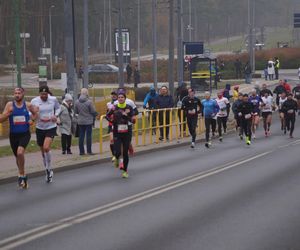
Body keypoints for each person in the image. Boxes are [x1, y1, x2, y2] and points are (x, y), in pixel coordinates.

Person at [0, 88, 37, 188]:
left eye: (19, 93)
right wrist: (8, 114)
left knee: (20, 152)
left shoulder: (28, 105)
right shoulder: (9, 105)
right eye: (15, 93)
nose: (17, 95)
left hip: (25, 134)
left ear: (23, 94)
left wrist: (32, 120)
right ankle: (23, 174)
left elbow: (35, 113)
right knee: (18, 157)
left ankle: (21, 175)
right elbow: (1, 119)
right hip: (13, 135)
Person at [31, 86, 60, 183]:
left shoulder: (53, 99)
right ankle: (47, 169)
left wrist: (55, 116)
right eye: (42, 94)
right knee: (43, 152)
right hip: (40, 127)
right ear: (39, 94)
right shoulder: (34, 101)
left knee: (46, 147)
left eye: (45, 94)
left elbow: (58, 108)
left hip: (51, 127)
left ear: (48, 93)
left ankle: (49, 169)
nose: (44, 96)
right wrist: (34, 114)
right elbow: (30, 113)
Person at [106, 92, 136, 178]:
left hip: (127, 132)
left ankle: (125, 171)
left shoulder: (129, 108)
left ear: (125, 99)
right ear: (117, 99)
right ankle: (116, 158)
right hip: (117, 132)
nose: (120, 98)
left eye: (122, 97)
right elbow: (107, 116)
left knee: (125, 153)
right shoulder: (114, 107)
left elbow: (133, 121)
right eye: (119, 97)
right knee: (118, 151)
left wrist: (126, 116)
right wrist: (112, 121)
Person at [74, 88, 97, 156]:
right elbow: (92, 111)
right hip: (88, 121)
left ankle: (81, 151)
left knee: (81, 136)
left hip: (80, 121)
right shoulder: (89, 102)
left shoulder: (77, 102)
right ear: (87, 93)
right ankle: (89, 151)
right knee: (88, 136)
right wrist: (95, 114)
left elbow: (76, 111)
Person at [106, 91, 118, 161]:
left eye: (114, 95)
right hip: (111, 125)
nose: (113, 96)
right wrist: (110, 120)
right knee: (111, 140)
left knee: (119, 140)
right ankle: (114, 155)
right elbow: (107, 114)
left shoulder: (119, 103)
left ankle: (118, 153)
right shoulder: (108, 104)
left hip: (119, 124)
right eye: (112, 95)